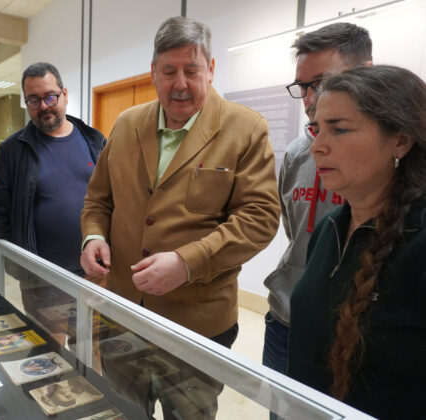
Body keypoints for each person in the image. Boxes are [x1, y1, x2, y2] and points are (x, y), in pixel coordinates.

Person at [80, 16, 280, 418]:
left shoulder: (245, 128)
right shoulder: (126, 124)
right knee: (122, 411)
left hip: (197, 324)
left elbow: (259, 218)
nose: (180, 83)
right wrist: (93, 237)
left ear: (211, 70)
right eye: (168, 71)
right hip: (121, 315)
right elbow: (98, 199)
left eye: (192, 70)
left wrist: (188, 263)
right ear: (153, 72)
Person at [287, 65, 426, 419]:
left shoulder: (419, 241)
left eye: (340, 130)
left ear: (400, 140)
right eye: (317, 130)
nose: (317, 147)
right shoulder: (331, 227)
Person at [262, 22, 373, 392]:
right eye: (303, 87)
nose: (309, 99)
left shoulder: (397, 159)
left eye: (322, 82)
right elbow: (298, 234)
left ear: (366, 73)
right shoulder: (296, 154)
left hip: (357, 335)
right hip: (286, 321)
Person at [0, 62, 105, 334]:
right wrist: (22, 265)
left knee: (92, 351)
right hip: (41, 279)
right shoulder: (12, 149)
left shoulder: (95, 141)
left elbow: (112, 202)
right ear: (26, 102)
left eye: (50, 96)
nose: (44, 106)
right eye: (34, 100)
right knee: (48, 357)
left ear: (64, 94)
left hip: (93, 275)